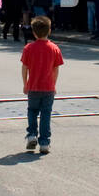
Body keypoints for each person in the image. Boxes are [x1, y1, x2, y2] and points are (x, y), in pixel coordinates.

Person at [21, 15, 64, 155]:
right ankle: (44, 143)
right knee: (46, 114)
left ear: (33, 32)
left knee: (32, 111)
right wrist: (54, 84)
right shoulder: (54, 48)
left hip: (33, 87)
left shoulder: (29, 48)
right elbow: (56, 69)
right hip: (48, 88)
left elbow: (25, 67)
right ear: (49, 31)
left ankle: (32, 134)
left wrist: (25, 84)